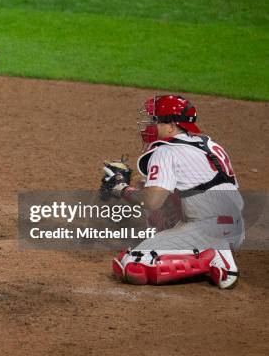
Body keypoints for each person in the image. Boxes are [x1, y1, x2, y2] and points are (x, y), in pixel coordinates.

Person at [103, 95, 243, 289]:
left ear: (171, 126)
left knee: (132, 264)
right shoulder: (209, 144)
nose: (150, 125)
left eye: (155, 120)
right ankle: (205, 249)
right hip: (235, 229)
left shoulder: (165, 151)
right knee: (150, 186)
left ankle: (212, 256)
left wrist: (122, 189)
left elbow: (152, 202)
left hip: (206, 230)